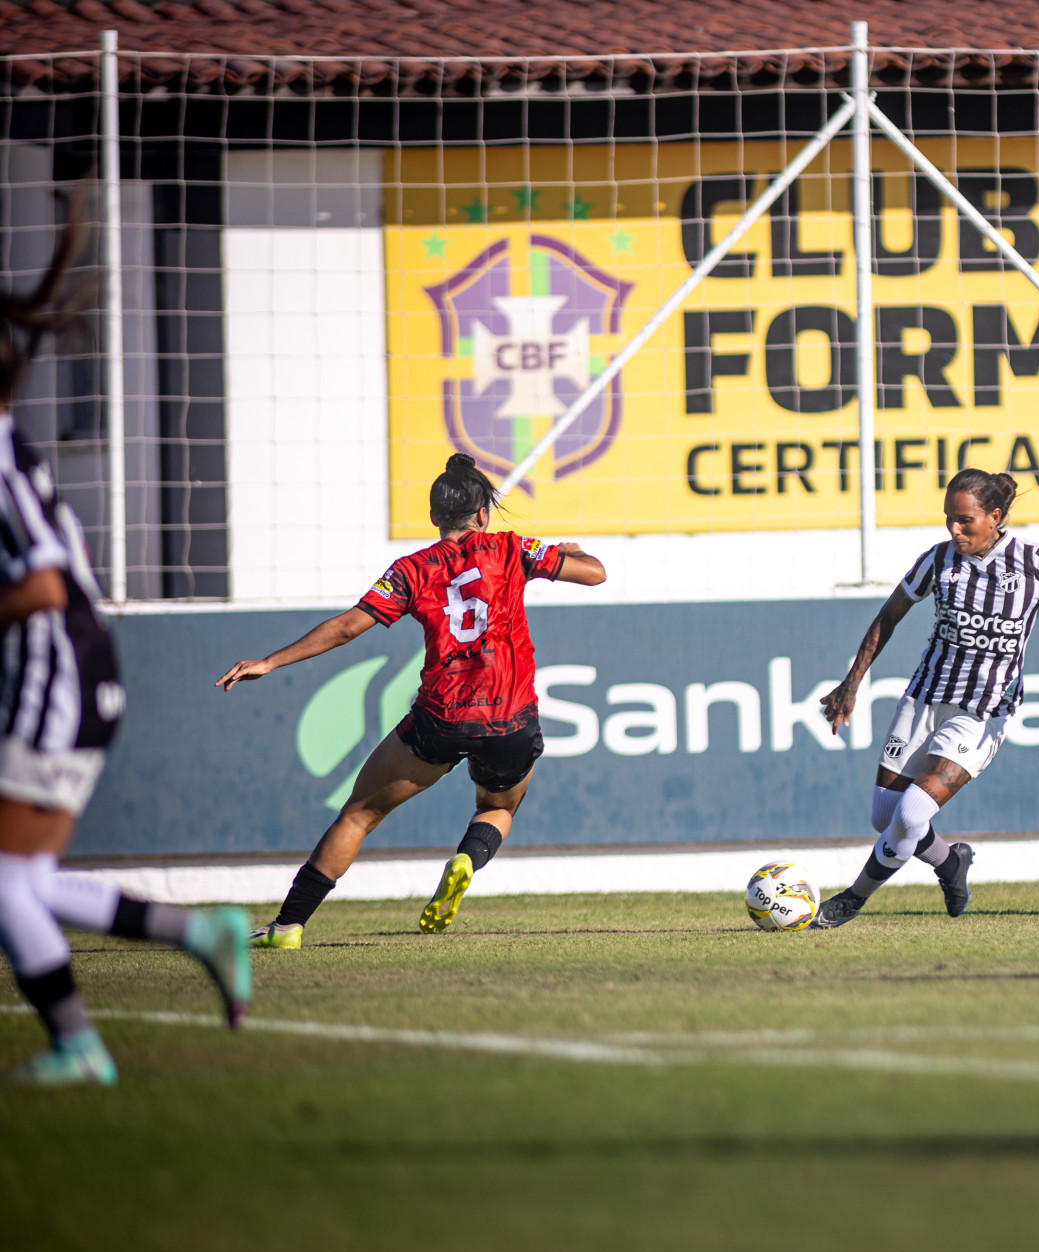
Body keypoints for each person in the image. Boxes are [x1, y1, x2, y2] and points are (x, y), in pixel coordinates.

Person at [0, 208, 250, 1086]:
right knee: (20, 878)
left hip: (56, 663)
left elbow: (41, 583)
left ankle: (78, 1045)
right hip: (80, 661)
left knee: (5, 883)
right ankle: (199, 932)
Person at [217, 454, 606, 947]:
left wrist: (270, 662)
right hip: (510, 717)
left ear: (434, 517)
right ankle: (466, 859)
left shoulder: (411, 569)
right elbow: (594, 574)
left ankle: (288, 926)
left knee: (358, 815)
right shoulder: (511, 549)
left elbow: (345, 628)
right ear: (483, 514)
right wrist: (572, 551)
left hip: (440, 718)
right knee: (498, 808)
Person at [812, 468, 1039, 929]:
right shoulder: (937, 561)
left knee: (913, 811)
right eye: (948, 520)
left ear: (994, 517)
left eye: (965, 521)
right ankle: (950, 862)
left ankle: (851, 901)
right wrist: (851, 683)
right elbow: (889, 615)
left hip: (983, 711)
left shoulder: (1033, 562)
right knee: (886, 818)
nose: (954, 530)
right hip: (925, 696)